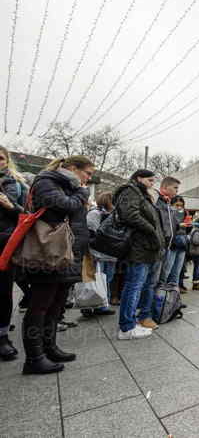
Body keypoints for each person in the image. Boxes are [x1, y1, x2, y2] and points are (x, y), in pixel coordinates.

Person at [21, 155, 94, 374]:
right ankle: (34, 358)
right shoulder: (46, 180)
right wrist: (81, 193)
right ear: (72, 167)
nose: (89, 179)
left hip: (68, 252)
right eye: (87, 173)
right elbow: (64, 206)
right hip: (49, 252)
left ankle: (49, 347)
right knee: (40, 304)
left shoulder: (69, 185)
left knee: (56, 304)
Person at [114, 169, 165, 340]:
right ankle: (126, 327)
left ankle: (132, 322)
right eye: (150, 180)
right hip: (138, 248)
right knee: (133, 286)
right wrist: (151, 230)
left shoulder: (141, 194)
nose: (152, 184)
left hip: (146, 248)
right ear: (139, 178)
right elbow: (130, 214)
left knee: (139, 286)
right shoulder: (130, 190)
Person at [0, 146, 28, 361]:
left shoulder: (16, 184)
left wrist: (11, 206)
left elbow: (25, 214)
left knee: (3, 290)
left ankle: (2, 337)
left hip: (5, 243)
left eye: (0, 158)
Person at [82, 191, 117, 317]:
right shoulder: (94, 214)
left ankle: (102, 304)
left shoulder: (115, 215)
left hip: (111, 253)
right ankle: (90, 305)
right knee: (95, 279)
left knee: (106, 279)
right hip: (97, 253)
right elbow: (93, 234)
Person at [154, 177, 180, 293]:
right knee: (153, 280)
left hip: (167, 246)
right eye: (175, 188)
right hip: (159, 246)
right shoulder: (156, 202)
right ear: (164, 188)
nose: (177, 191)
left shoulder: (168, 204)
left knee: (161, 279)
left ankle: (157, 304)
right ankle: (146, 307)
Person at [165, 195, 188, 293]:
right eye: (177, 205)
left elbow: (187, 229)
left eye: (181, 205)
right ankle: (163, 291)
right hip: (172, 243)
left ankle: (174, 293)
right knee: (167, 269)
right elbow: (167, 227)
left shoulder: (185, 213)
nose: (179, 207)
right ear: (172, 204)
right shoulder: (168, 212)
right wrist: (178, 225)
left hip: (182, 243)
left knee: (177, 270)